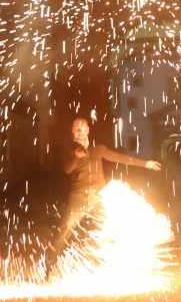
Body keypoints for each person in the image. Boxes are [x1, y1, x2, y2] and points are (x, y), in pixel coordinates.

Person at [45, 116, 162, 279]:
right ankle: (48, 268)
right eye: (76, 129)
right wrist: (75, 157)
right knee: (64, 230)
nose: (80, 132)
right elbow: (67, 169)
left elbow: (120, 158)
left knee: (116, 225)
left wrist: (145, 163)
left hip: (99, 196)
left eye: (82, 128)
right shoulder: (70, 151)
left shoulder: (97, 149)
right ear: (73, 133)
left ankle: (122, 266)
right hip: (78, 198)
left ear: (88, 130)